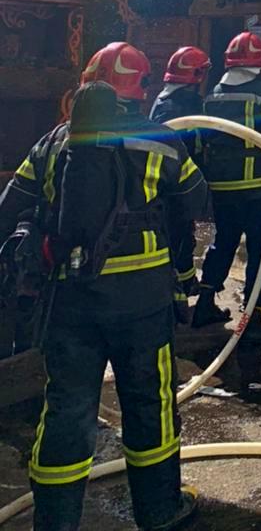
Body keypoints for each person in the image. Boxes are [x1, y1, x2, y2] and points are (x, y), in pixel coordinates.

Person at [0, 42, 207, 531]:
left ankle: (54, 523)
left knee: (66, 413)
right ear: (138, 89)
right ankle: (159, 512)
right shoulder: (162, 142)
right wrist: (183, 282)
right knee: (150, 407)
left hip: (69, 305)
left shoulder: (53, 142)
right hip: (143, 308)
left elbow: (10, 208)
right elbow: (195, 208)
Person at [193, 32, 261, 342]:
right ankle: (254, 317)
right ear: (259, 62)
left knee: (223, 242)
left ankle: (205, 302)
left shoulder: (212, 96)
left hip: (221, 188)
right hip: (257, 187)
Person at [150, 48, 211, 306]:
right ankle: (180, 293)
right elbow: (199, 142)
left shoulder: (162, 100)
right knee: (181, 239)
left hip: (159, 182)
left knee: (175, 236)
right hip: (178, 183)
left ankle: (181, 288)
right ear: (195, 74)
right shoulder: (187, 103)